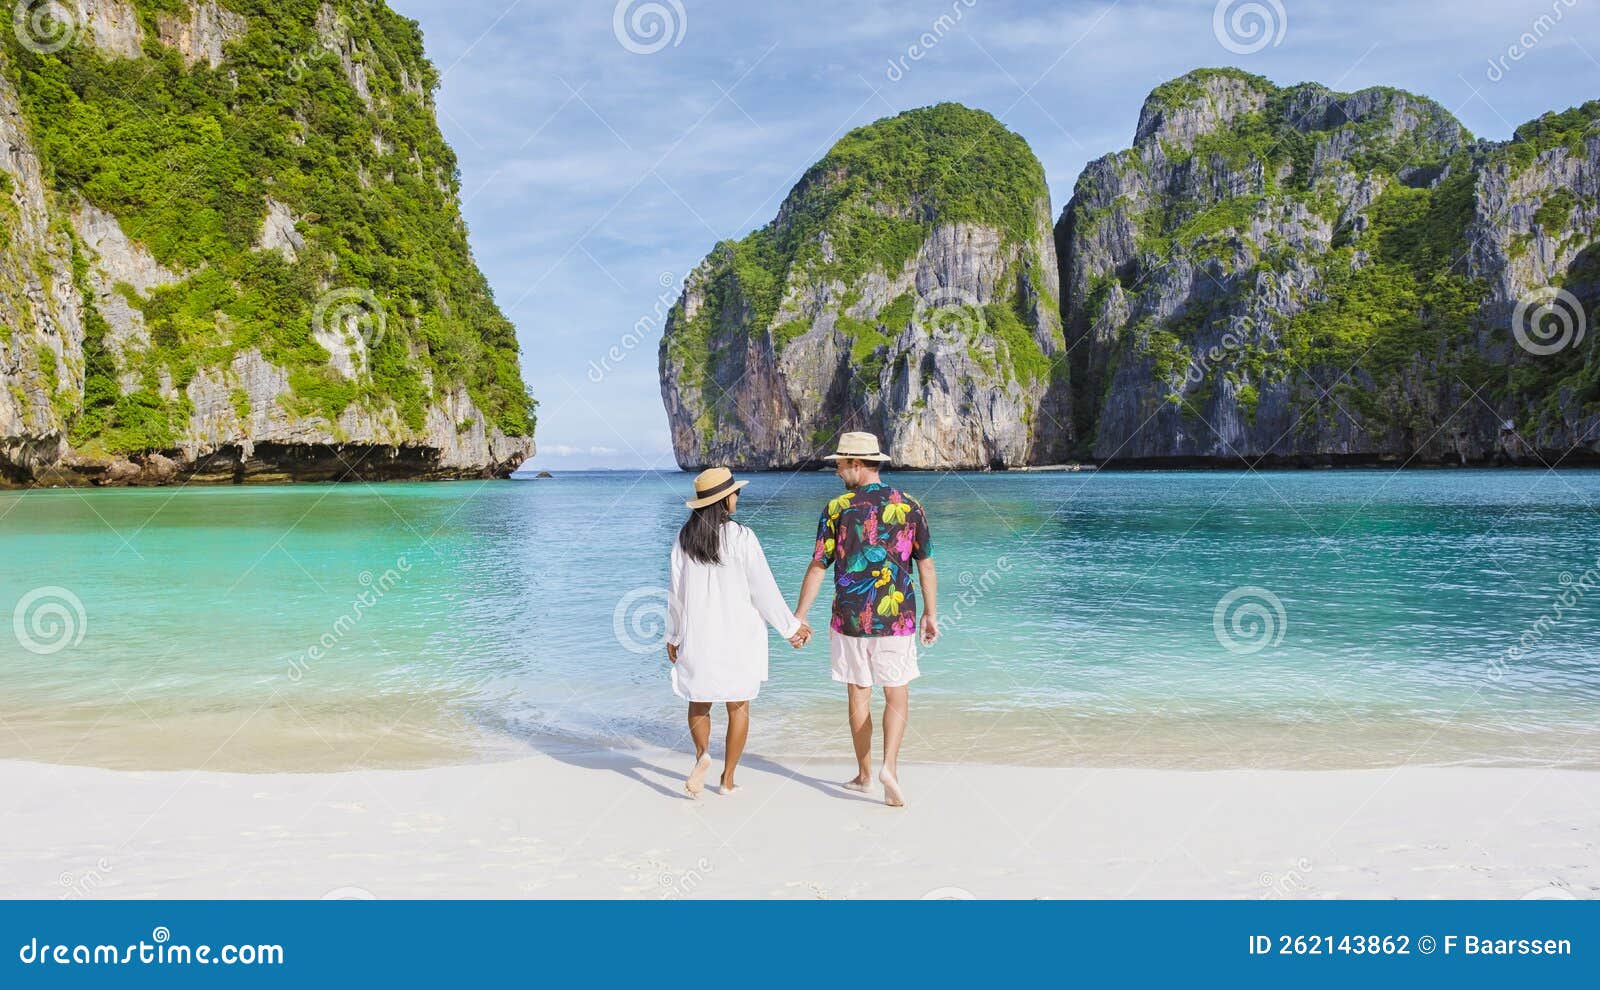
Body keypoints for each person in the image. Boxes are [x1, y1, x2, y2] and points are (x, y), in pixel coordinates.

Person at [794, 432, 937, 807]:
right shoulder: (909, 505)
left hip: (850, 620)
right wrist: (930, 614)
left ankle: (864, 774)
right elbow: (925, 563)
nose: (838, 472)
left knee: (859, 692)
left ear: (857, 465)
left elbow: (818, 565)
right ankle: (891, 767)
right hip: (898, 618)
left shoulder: (837, 507)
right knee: (897, 691)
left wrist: (799, 615)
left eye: (840, 465)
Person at [665, 467, 811, 797]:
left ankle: (703, 755)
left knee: (698, 701)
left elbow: (676, 592)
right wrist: (790, 628)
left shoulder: (684, 539)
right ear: (726, 499)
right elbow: (763, 590)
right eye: (735, 494)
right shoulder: (743, 537)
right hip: (738, 636)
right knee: (738, 707)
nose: (737, 498)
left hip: (698, 635)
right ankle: (728, 780)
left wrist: (672, 635)